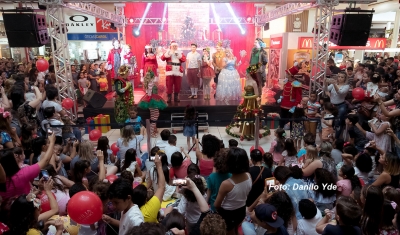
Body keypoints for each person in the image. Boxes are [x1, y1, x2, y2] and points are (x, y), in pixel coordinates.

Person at [0, 133, 55, 201]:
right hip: (26, 209)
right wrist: (52, 142)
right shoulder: (22, 174)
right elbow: (45, 160)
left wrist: (38, 190)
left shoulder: (3, 180)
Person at [215, 148, 251, 235]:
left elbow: (217, 205)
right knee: (235, 228)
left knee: (230, 231)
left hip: (228, 213)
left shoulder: (226, 184)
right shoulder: (248, 176)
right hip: (241, 210)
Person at [138, 68, 167, 138]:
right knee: (155, 115)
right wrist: (150, 99)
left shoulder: (150, 82)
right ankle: (150, 132)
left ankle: (152, 130)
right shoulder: (150, 83)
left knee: (153, 115)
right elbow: (149, 93)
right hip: (152, 99)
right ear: (152, 77)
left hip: (151, 99)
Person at [325, 71, 349, 139]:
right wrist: (325, 83)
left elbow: (340, 92)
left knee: (338, 123)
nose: (340, 78)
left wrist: (334, 84)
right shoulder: (333, 85)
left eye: (342, 77)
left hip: (341, 106)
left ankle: (337, 138)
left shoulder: (346, 86)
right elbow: (326, 89)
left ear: (345, 78)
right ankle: (330, 137)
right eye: (339, 76)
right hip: (332, 106)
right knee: (330, 122)